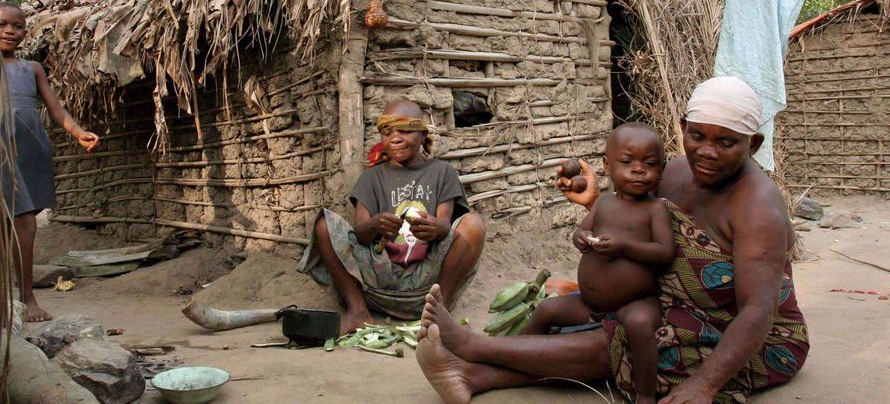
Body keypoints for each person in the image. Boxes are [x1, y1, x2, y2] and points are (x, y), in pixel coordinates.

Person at [415, 77, 809, 404]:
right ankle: (472, 377)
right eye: (697, 135)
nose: (706, 152)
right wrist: (596, 204)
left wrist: (705, 383)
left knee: (634, 338)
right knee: (612, 319)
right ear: (684, 127)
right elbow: (635, 209)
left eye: (726, 143)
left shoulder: (759, 207)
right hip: (672, 308)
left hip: (752, 336)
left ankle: (474, 349)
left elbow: (758, 310)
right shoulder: (672, 173)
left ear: (753, 145)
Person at [299, 99, 486, 334]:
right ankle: (358, 311)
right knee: (324, 224)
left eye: (404, 131)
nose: (394, 138)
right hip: (378, 280)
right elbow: (361, 233)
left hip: (426, 282)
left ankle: (440, 312)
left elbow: (445, 225)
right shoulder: (372, 177)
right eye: (387, 132)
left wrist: (435, 228)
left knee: (474, 224)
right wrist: (375, 224)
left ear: (422, 134)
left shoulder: (442, 173)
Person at [522, 123, 673, 404]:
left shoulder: (655, 209)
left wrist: (625, 247)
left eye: (650, 164)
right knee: (547, 309)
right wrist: (581, 238)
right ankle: (516, 356)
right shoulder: (603, 203)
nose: (638, 170)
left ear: (662, 168)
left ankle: (645, 393)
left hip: (635, 301)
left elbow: (665, 252)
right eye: (627, 162)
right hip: (589, 304)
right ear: (607, 165)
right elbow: (581, 231)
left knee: (640, 324)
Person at [0, 1, 99, 322]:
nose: (10, 31)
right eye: (3, 24)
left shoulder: (32, 69)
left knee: (11, 219)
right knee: (25, 221)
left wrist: (78, 132)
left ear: (25, 31)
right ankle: (27, 299)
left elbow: (56, 111)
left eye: (17, 26)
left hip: (32, 147)